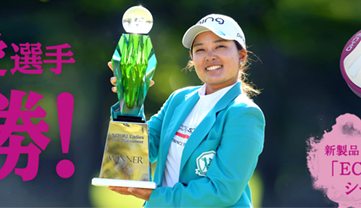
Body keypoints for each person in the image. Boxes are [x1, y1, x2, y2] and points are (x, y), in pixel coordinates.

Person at [108, 14, 265, 207]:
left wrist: (156, 195)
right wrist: (130, 100)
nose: (210, 56)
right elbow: (140, 150)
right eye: (200, 50)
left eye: (220, 46)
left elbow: (221, 191)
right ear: (192, 58)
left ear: (241, 56)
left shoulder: (244, 114)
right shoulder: (179, 99)